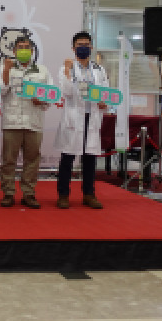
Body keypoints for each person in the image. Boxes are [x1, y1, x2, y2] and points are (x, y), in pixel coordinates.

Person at [55, 31, 109, 209]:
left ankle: (89, 194)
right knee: (67, 158)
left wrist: (104, 103)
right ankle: (63, 195)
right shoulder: (67, 68)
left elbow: (106, 92)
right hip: (73, 118)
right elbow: (67, 91)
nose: (83, 47)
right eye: (80, 45)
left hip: (91, 117)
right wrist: (67, 70)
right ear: (73, 48)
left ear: (91, 47)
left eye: (86, 44)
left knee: (90, 159)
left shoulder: (99, 70)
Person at [0, 35, 52, 208]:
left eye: (26, 47)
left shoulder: (42, 70)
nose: (23, 50)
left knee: (32, 160)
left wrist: (42, 101)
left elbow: (51, 95)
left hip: (34, 122)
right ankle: (8, 193)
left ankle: (29, 193)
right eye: (20, 47)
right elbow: (1, 91)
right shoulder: (6, 67)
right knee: (8, 160)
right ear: (14, 51)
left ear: (32, 50)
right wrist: (6, 71)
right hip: (11, 122)